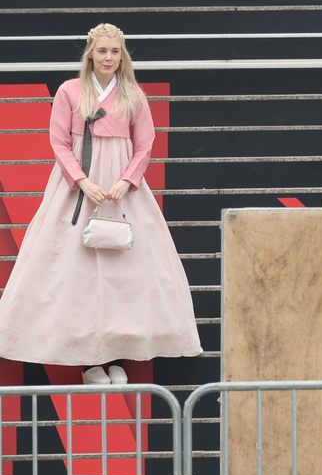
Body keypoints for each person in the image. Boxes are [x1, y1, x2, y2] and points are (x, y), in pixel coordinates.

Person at [0, 23, 201, 382]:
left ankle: (117, 356)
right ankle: (87, 361)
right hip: (78, 188)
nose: (108, 58)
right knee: (72, 271)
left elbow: (144, 144)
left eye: (114, 51)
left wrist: (127, 180)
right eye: (102, 51)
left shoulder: (132, 95)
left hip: (122, 191)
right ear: (90, 53)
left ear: (122, 55)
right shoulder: (70, 91)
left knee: (124, 274)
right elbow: (59, 142)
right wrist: (82, 181)